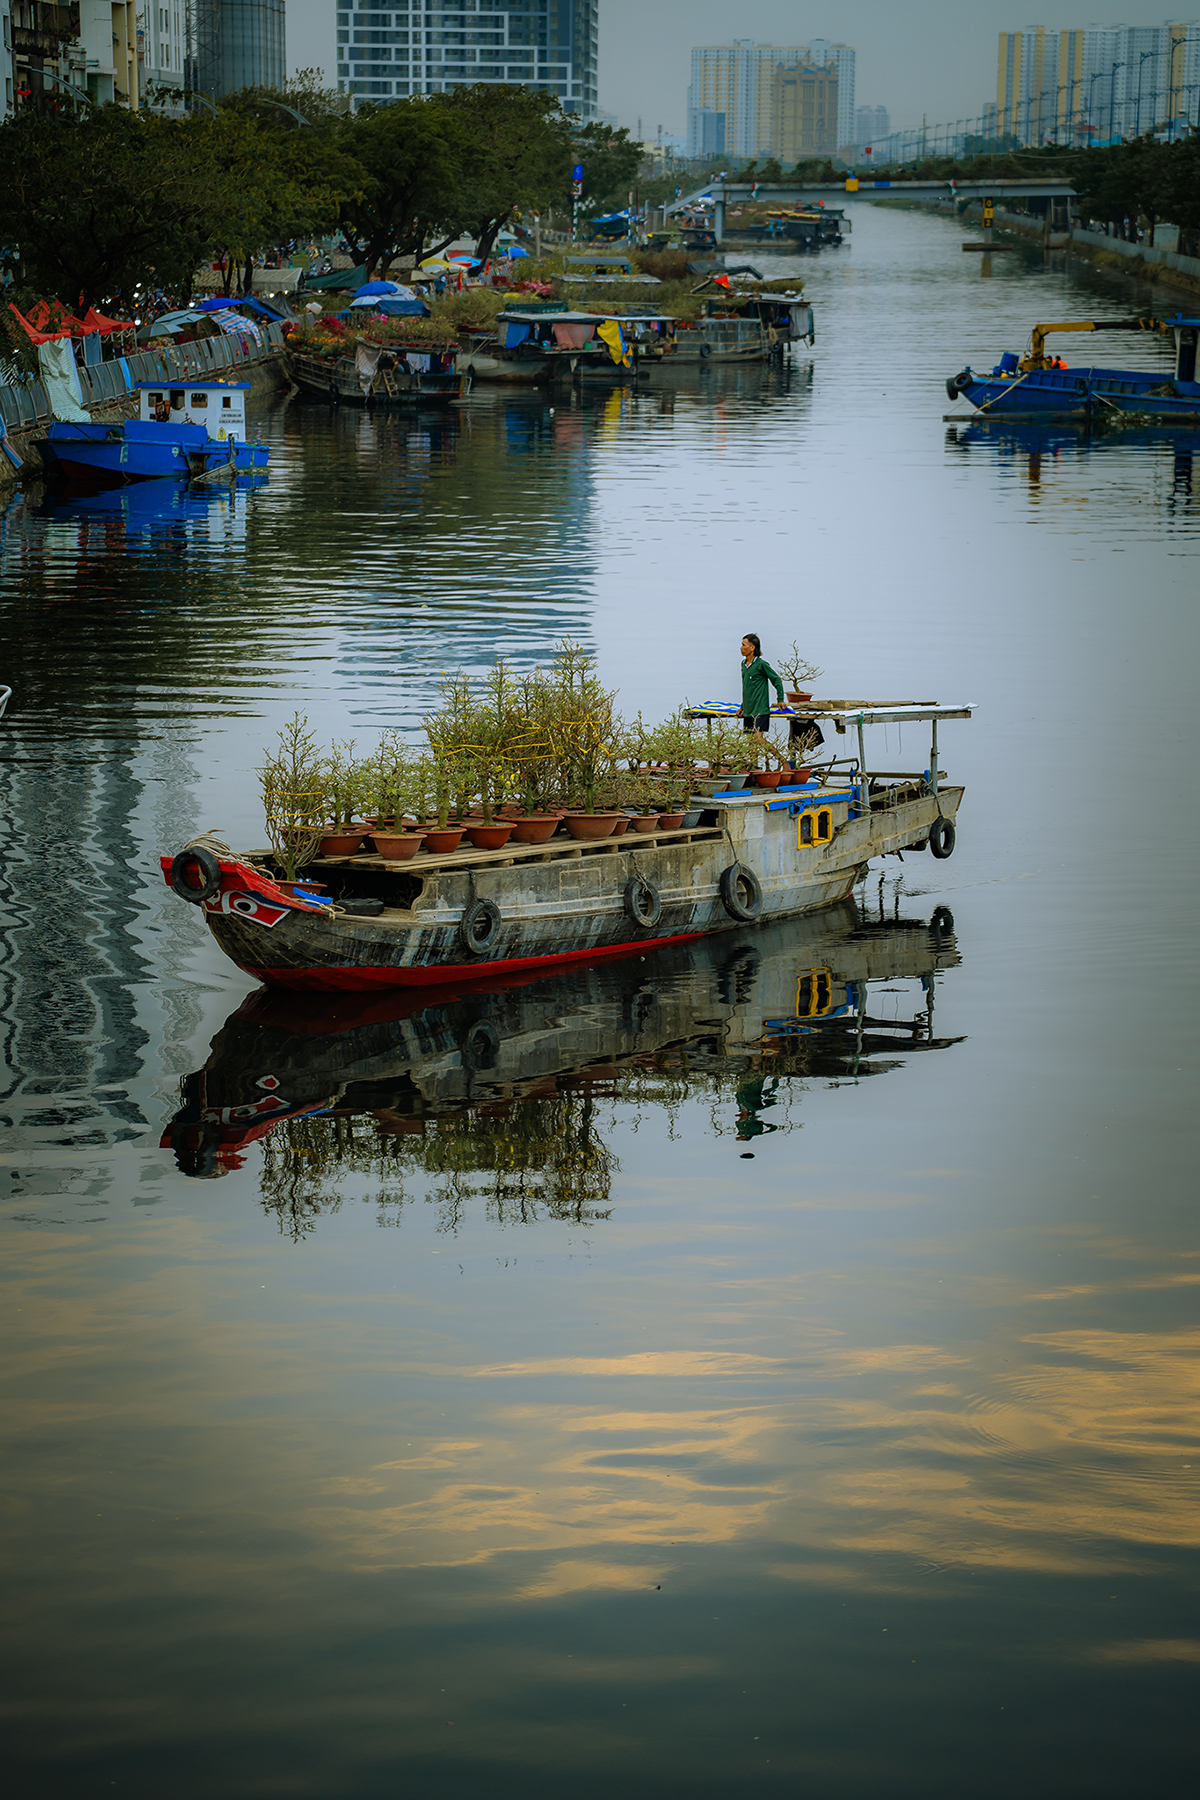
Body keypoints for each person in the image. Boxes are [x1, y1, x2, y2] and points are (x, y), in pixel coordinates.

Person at [738, 633, 785, 758]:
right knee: (751, 743)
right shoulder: (743, 665)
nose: (741, 648)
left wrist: (780, 699)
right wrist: (743, 707)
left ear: (752, 647)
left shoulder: (761, 664)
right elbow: (747, 688)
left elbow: (776, 680)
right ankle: (754, 769)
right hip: (748, 709)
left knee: (758, 740)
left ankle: (782, 759)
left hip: (760, 709)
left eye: (744, 645)